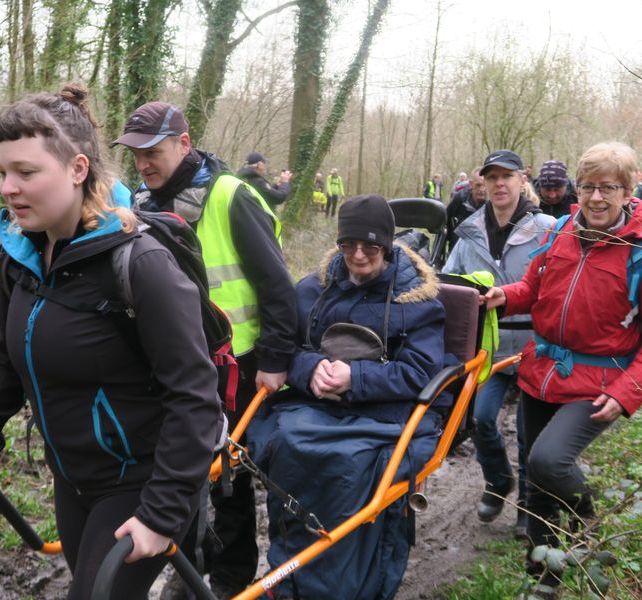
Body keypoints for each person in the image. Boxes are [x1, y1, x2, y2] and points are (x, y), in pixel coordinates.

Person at [0, 84, 223, 600]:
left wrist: (161, 513)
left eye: (26, 173)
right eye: (3, 172)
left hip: (142, 484)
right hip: (73, 482)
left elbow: (194, 398)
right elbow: (4, 361)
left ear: (77, 169)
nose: (8, 187)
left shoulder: (140, 265)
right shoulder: (18, 259)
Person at [111, 101, 297, 597]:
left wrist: (277, 360)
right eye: (135, 154)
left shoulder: (232, 196)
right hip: (166, 363)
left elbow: (278, 287)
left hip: (235, 367)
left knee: (226, 479)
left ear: (185, 144)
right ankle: (188, 564)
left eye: (154, 151)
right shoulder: (138, 203)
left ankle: (229, 578)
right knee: (176, 470)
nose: (144, 162)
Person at [483, 142, 642, 596]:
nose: (596, 198)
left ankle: (591, 522)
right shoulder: (560, 232)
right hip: (541, 370)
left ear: (629, 191)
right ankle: (543, 580)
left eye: (608, 188)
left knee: (548, 461)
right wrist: (504, 296)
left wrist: (627, 391)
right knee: (537, 485)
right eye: (588, 186)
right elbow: (533, 286)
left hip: (598, 382)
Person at [248, 194, 450, 599]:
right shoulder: (313, 289)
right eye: (349, 245)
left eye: (371, 247)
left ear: (387, 247)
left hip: (385, 415)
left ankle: (344, 586)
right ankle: (289, 578)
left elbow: (419, 372)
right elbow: (288, 348)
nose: (359, 255)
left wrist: (354, 378)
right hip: (315, 406)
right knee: (283, 443)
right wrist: (311, 371)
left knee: (349, 465)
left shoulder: (419, 302)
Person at [444, 150, 555, 539]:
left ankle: (529, 502)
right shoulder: (469, 230)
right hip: (488, 348)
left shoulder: (548, 229)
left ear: (523, 180)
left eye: (507, 176)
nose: (499, 184)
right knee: (480, 419)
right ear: (484, 183)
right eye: (492, 178)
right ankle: (498, 481)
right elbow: (451, 281)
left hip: (535, 347)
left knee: (530, 435)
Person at [446, 167, 486, 253]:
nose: (482, 189)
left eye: (485, 185)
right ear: (471, 184)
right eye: (478, 185)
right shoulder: (459, 199)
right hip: (457, 251)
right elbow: (445, 223)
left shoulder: (493, 205)